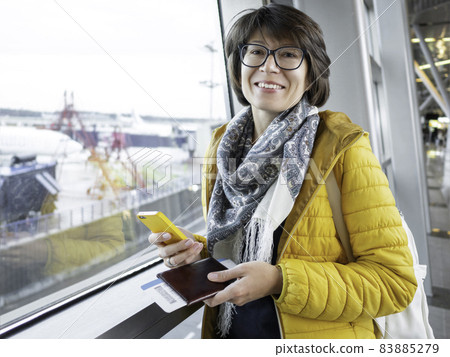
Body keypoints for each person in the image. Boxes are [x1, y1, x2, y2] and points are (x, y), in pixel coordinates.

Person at [149, 3, 417, 339]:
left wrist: (280, 281)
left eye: (288, 54)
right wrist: (197, 251)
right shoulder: (222, 147)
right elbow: (239, 248)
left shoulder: (343, 148)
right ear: (238, 66)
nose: (269, 66)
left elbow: (394, 283)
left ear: (311, 71)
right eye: (256, 52)